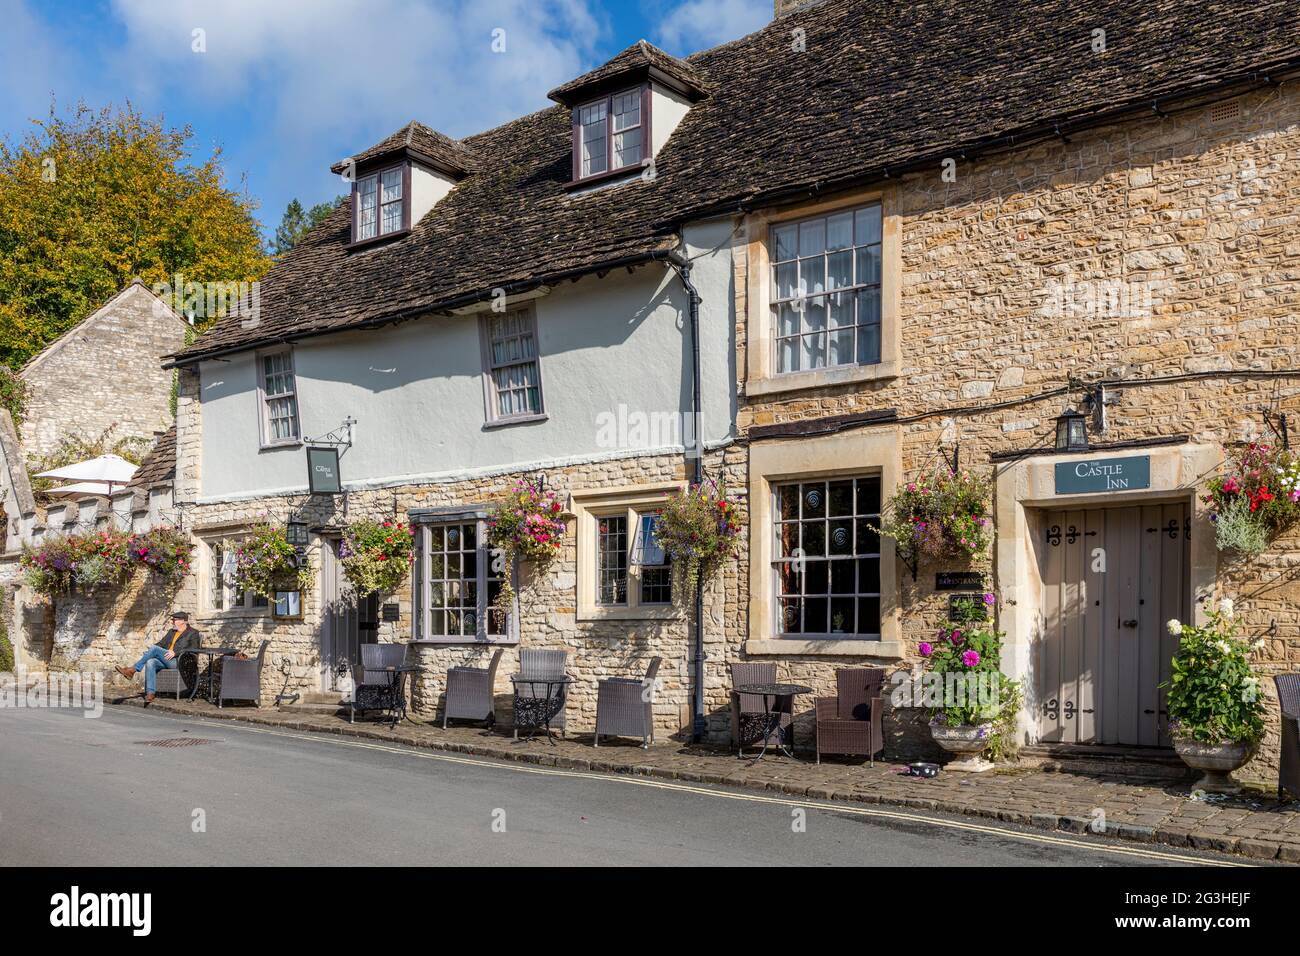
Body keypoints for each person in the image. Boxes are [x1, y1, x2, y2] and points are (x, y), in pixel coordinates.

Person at [116, 611, 202, 703]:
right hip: (167, 660)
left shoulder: (193, 633)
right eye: (172, 620)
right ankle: (150, 693)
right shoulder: (171, 632)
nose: (172, 622)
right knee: (150, 662)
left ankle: (132, 670)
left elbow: (193, 649)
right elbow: (161, 644)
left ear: (183, 621)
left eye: (174, 620)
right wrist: (150, 652)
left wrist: (175, 653)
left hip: (180, 661)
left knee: (154, 649)